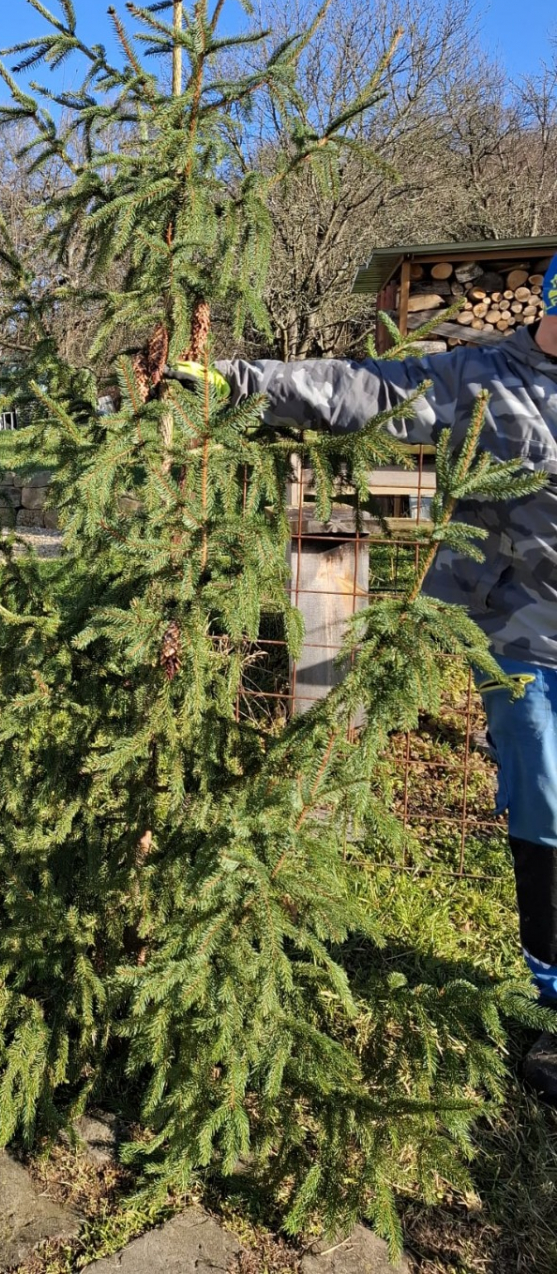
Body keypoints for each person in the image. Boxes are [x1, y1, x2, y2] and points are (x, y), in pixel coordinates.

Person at [175, 252, 557, 1099]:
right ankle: (556, 999)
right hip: (525, 644)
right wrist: (241, 384)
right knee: (545, 807)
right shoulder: (485, 377)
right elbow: (365, 390)